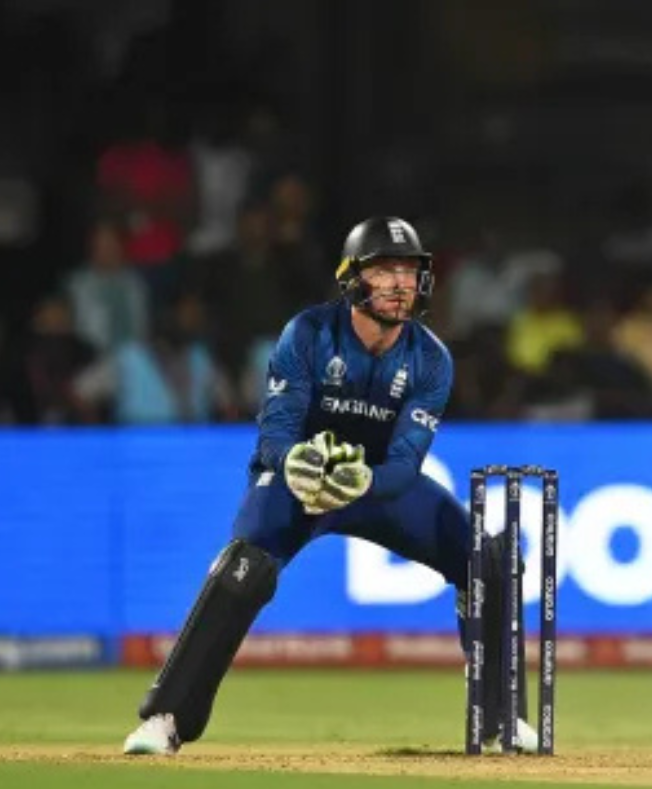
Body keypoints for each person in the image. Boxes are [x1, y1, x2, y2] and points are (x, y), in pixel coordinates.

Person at [122, 216, 537, 755]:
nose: (400, 284)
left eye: (408, 271)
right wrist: (296, 462)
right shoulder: (309, 333)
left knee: (488, 560)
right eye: (384, 270)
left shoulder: (431, 358)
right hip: (301, 483)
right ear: (352, 278)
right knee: (242, 569)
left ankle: (500, 716)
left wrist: (362, 480)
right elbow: (275, 431)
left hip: (376, 487)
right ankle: (166, 719)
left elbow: (405, 464)